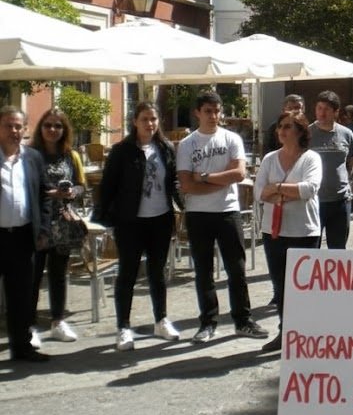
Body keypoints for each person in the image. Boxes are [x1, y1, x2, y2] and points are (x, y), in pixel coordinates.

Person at [176, 91, 268, 344]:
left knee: (236, 269)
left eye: (217, 111)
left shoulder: (231, 138)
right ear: (197, 113)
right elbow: (187, 185)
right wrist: (220, 181)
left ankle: (243, 320)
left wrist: (205, 177)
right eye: (208, 111)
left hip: (228, 211)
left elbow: (238, 174)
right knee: (203, 271)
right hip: (198, 213)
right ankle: (208, 322)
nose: (213, 116)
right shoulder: (187, 144)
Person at [97, 102, 182, 351]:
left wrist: (183, 203)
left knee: (157, 273)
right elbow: (108, 187)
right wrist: (106, 220)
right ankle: (123, 327)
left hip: (160, 219)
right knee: (128, 274)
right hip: (130, 221)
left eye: (153, 119)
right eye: (145, 119)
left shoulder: (165, 148)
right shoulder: (122, 151)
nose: (150, 124)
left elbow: (173, 181)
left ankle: (161, 320)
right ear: (135, 121)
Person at [256, 112, 322, 352]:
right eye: (280, 127)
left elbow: (309, 189)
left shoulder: (311, 158)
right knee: (281, 286)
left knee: (304, 287)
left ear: (300, 131)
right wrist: (286, 191)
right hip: (274, 232)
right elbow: (259, 192)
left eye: (287, 126)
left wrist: (276, 188)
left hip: (304, 232)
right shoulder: (269, 159)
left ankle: (306, 335)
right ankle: (285, 332)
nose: (281, 131)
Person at [29, 108, 86, 345]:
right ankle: (29, 325)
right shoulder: (30, 155)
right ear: (40, 128)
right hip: (37, 223)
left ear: (64, 130)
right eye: (48, 125)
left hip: (63, 222)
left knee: (58, 274)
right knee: (33, 275)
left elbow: (81, 185)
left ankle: (58, 321)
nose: (52, 130)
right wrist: (50, 193)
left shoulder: (71, 155)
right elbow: (26, 188)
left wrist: (73, 192)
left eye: (58, 126)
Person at [1, 106, 52, 362]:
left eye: (18, 126)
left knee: (21, 295)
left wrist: (43, 229)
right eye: (8, 126)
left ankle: (21, 347)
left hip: (22, 237)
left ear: (25, 129)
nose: (14, 131)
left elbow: (44, 195)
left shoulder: (33, 158)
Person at [309, 90, 353, 249]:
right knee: (312, 249)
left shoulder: (346, 134)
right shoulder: (307, 134)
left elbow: (351, 162)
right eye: (319, 108)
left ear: (336, 112)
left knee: (338, 249)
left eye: (327, 109)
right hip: (314, 200)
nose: (322, 113)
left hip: (340, 200)